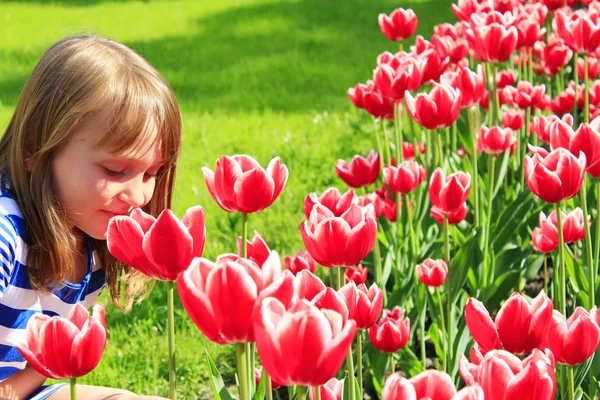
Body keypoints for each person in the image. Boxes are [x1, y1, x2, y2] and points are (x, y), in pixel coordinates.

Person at [0, 34, 181, 399]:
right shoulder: (5, 235)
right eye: (115, 171)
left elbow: (39, 368)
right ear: (37, 150)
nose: (138, 196)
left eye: (151, 174)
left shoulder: (93, 248)